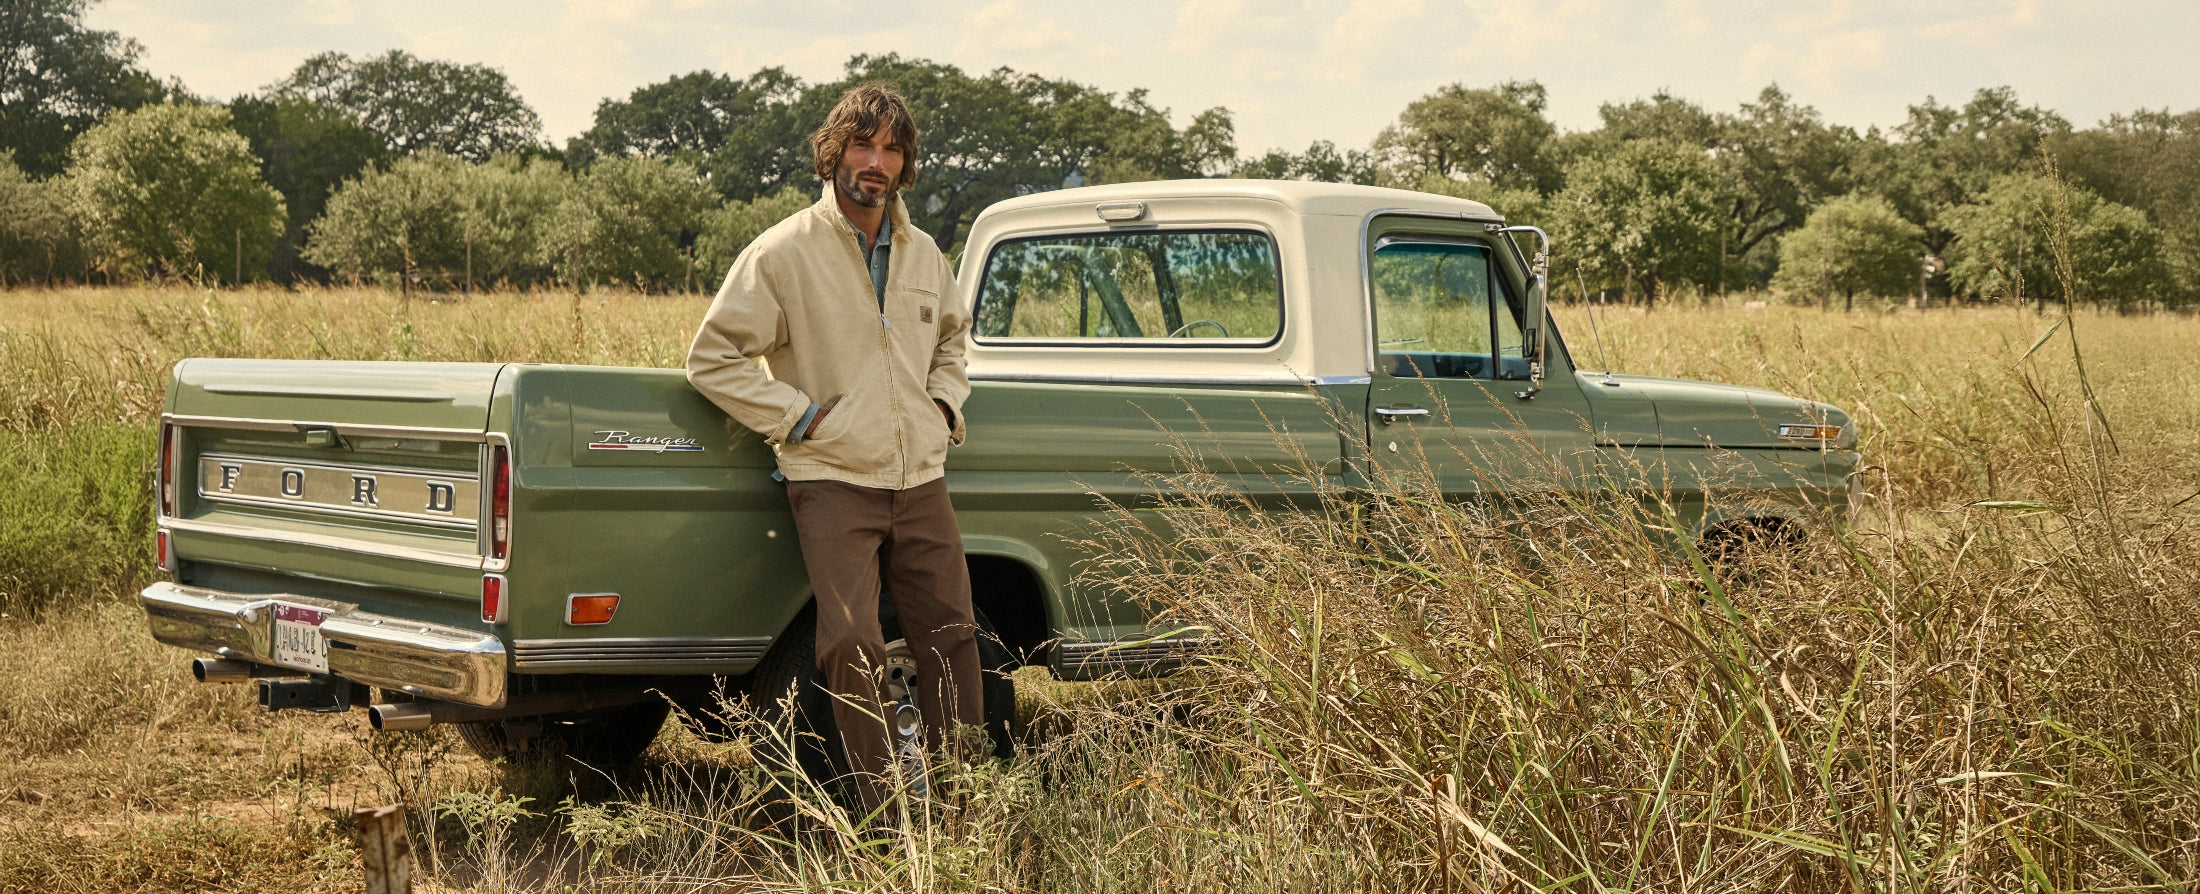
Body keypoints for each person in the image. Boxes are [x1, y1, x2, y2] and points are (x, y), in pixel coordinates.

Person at [685, 83, 983, 813]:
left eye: (891, 149)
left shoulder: (924, 254)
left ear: (905, 162)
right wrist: (800, 418)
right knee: (850, 643)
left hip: (920, 478)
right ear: (833, 152)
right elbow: (712, 358)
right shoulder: (783, 252)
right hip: (831, 478)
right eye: (862, 145)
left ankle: (964, 808)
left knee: (952, 633)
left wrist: (943, 406)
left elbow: (952, 341)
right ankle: (882, 814)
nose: (876, 162)